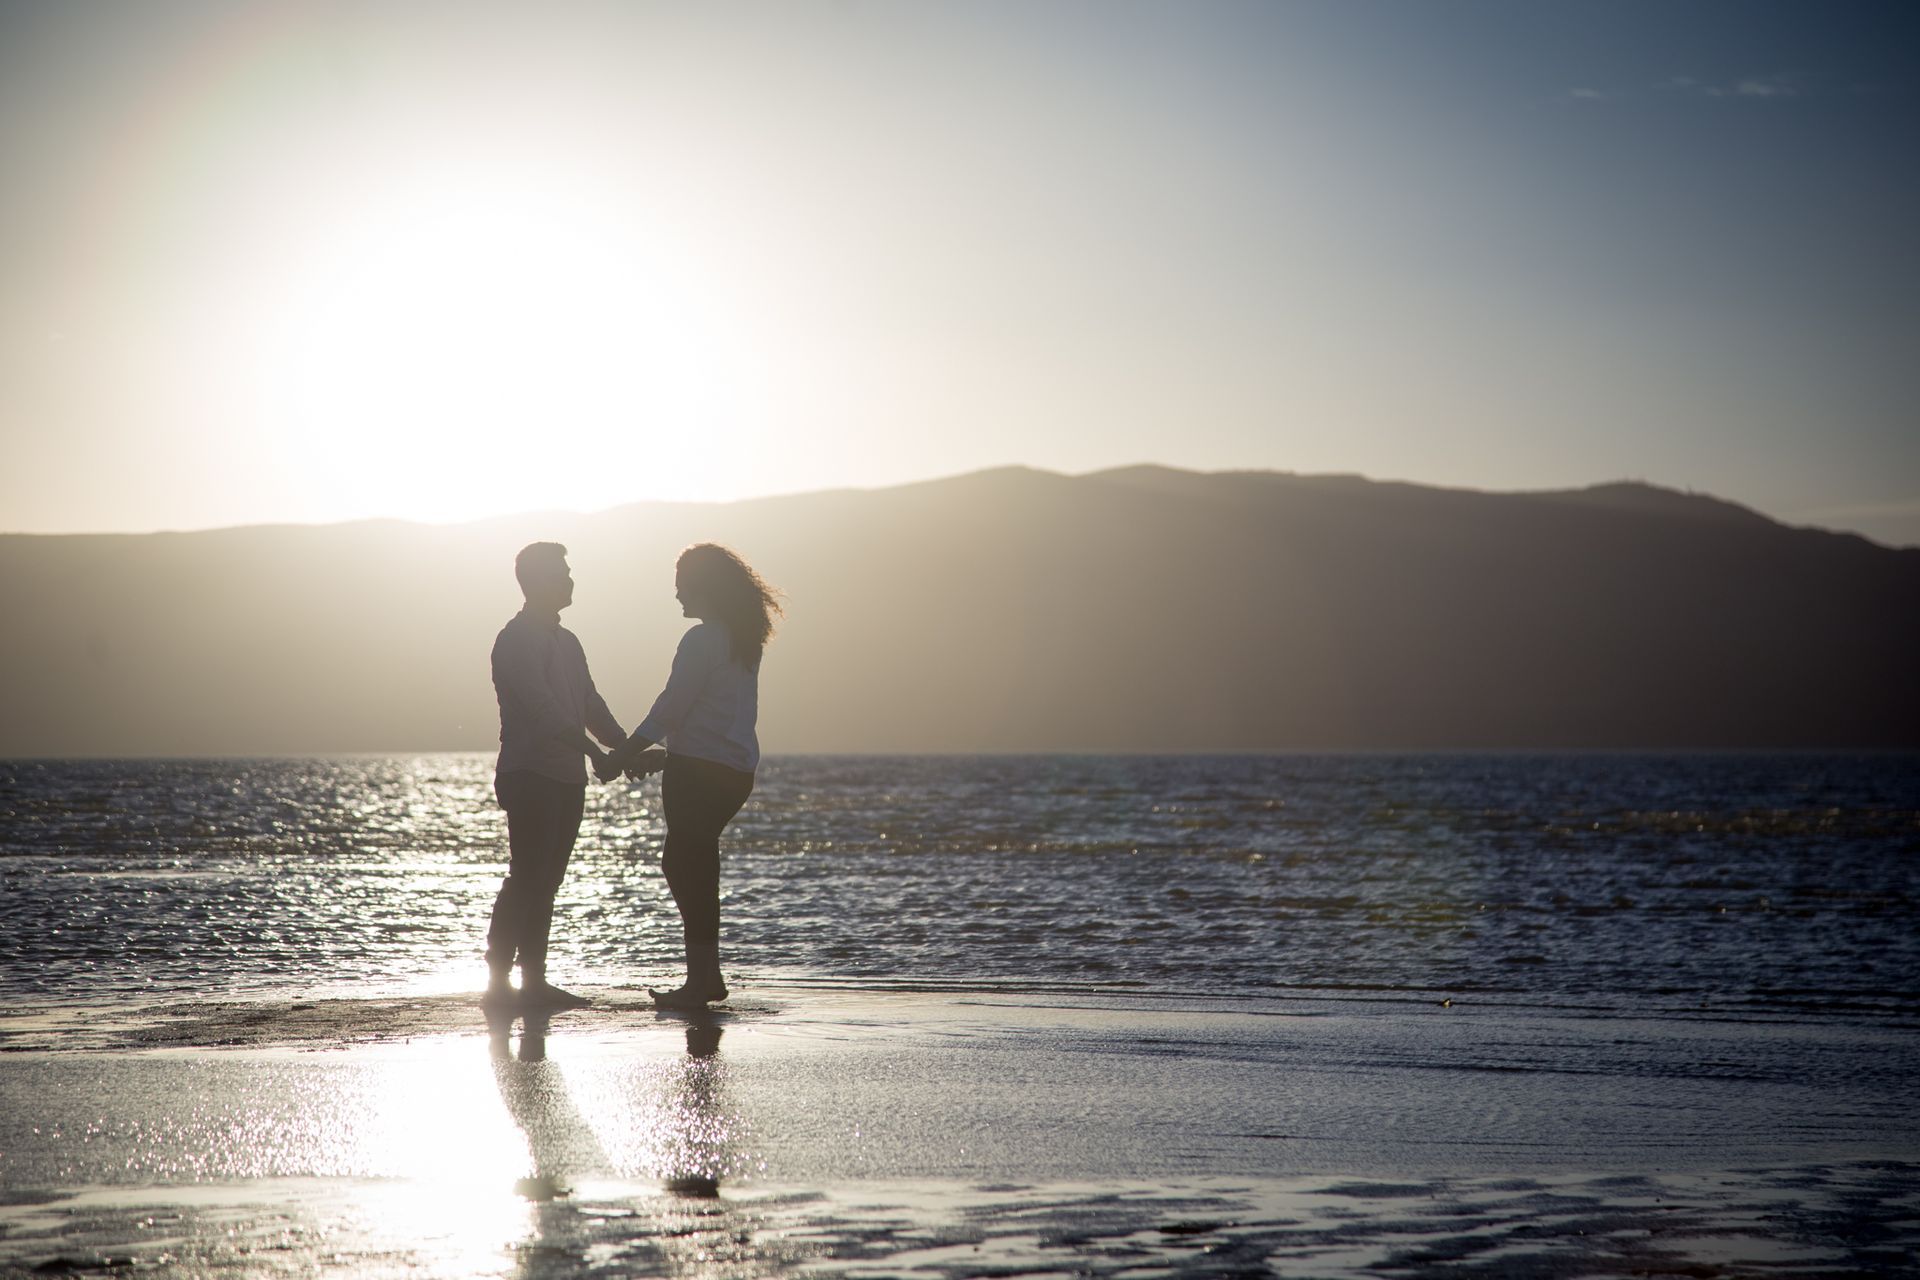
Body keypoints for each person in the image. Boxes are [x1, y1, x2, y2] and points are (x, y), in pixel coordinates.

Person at [600, 543, 782, 1009]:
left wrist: (620, 753)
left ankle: (702, 981)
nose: (677, 592)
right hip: (732, 770)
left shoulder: (702, 640)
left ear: (705, 588)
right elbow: (714, 718)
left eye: (683, 582)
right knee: (694, 866)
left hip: (699, 774)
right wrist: (665, 757)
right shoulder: (741, 638)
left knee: (687, 867)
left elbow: (672, 709)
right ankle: (707, 975)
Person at [486, 542, 662, 1009]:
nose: (570, 580)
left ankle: (534, 980)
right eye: (562, 572)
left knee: (549, 879)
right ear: (536, 581)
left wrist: (622, 748)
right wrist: (600, 753)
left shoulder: (567, 641)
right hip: (529, 772)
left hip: (567, 776)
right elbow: (543, 712)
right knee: (527, 875)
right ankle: (499, 982)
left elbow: (588, 704)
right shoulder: (515, 639)